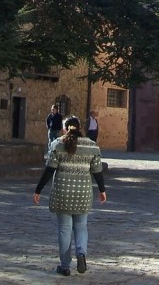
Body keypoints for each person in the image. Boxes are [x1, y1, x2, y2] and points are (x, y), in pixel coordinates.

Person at [33, 115, 107, 276]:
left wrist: (38, 190)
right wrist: (102, 190)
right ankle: (81, 253)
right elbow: (97, 172)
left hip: (62, 193)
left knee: (64, 230)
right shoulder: (92, 146)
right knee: (81, 227)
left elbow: (49, 169)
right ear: (80, 127)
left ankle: (65, 265)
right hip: (83, 193)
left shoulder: (57, 144)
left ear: (65, 128)